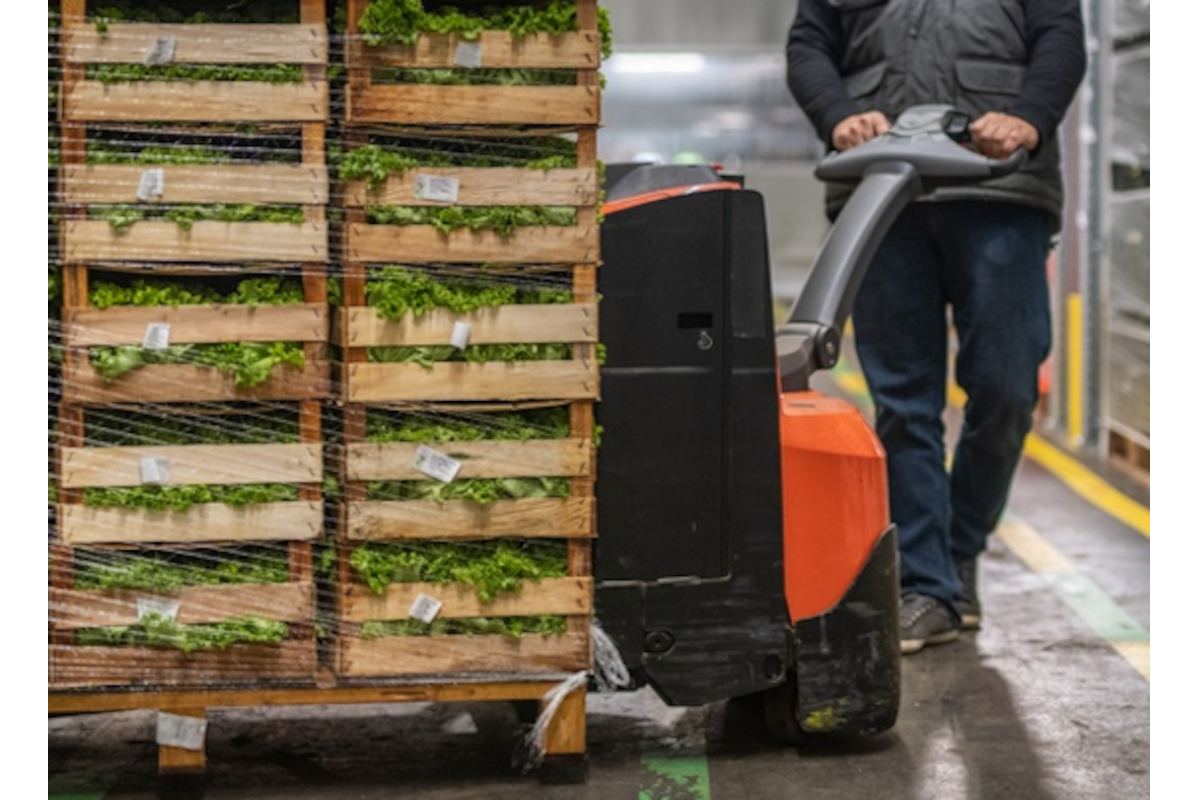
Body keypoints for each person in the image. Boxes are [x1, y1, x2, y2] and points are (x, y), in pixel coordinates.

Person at [785, 0, 1087, 654]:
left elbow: (1061, 37)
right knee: (903, 399)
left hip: (1001, 189)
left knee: (1007, 388)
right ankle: (929, 586)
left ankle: (956, 550)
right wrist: (837, 116)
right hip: (882, 189)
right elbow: (810, 45)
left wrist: (1029, 119)